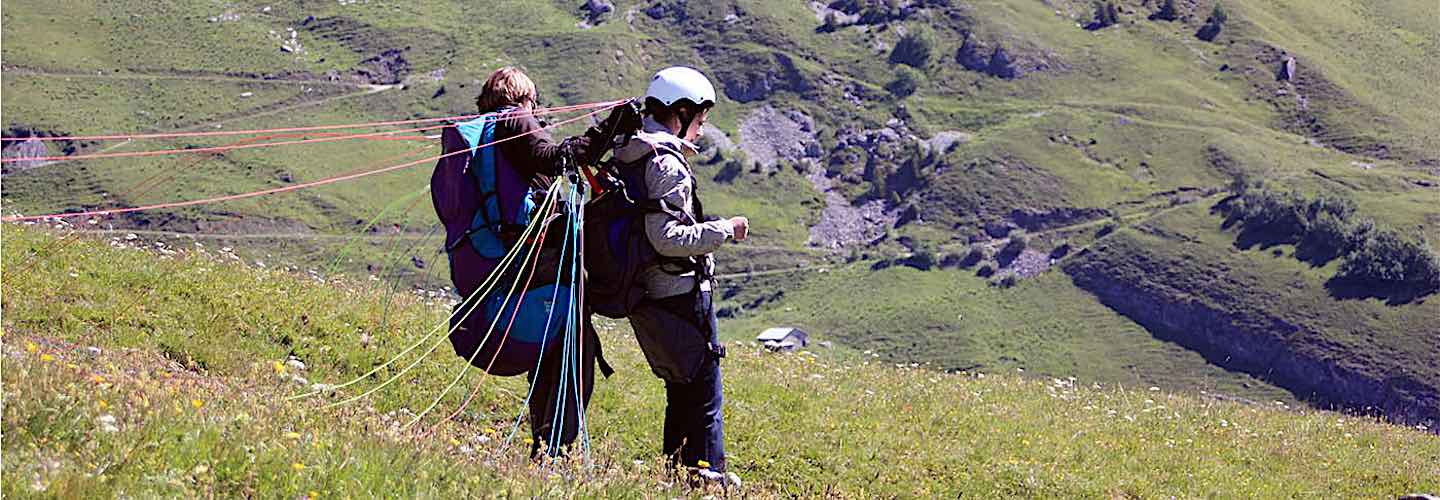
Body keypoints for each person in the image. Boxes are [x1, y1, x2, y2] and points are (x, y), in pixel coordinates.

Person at [440, 66, 638, 456]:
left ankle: (547, 446)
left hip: (509, 257)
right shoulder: (515, 120)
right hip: (536, 257)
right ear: (522, 96)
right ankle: (555, 449)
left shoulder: (488, 134)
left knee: (557, 346)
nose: (539, 109)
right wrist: (609, 128)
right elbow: (557, 158)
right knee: (572, 346)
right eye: (535, 101)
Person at [614, 66, 747, 487]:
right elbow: (667, 236)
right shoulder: (666, 163)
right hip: (680, 290)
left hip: (646, 290)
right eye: (700, 120)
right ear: (682, 112)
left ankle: (678, 473)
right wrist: (725, 230)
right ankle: (709, 479)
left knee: (680, 383)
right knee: (705, 390)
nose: (700, 132)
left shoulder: (630, 151)